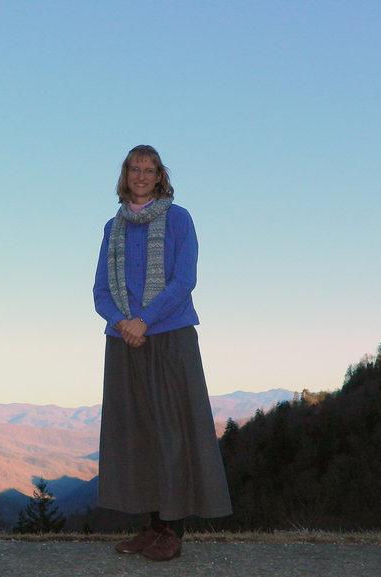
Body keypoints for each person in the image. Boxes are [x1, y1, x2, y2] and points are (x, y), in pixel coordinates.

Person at [93, 145, 232, 561]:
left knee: (173, 432)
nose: (140, 175)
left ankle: (172, 530)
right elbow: (100, 290)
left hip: (170, 337)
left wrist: (144, 321)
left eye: (148, 169)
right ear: (125, 175)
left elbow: (183, 280)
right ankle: (151, 527)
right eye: (134, 169)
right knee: (137, 433)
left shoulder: (178, 219)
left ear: (159, 177)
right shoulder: (112, 227)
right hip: (124, 341)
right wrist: (123, 323)